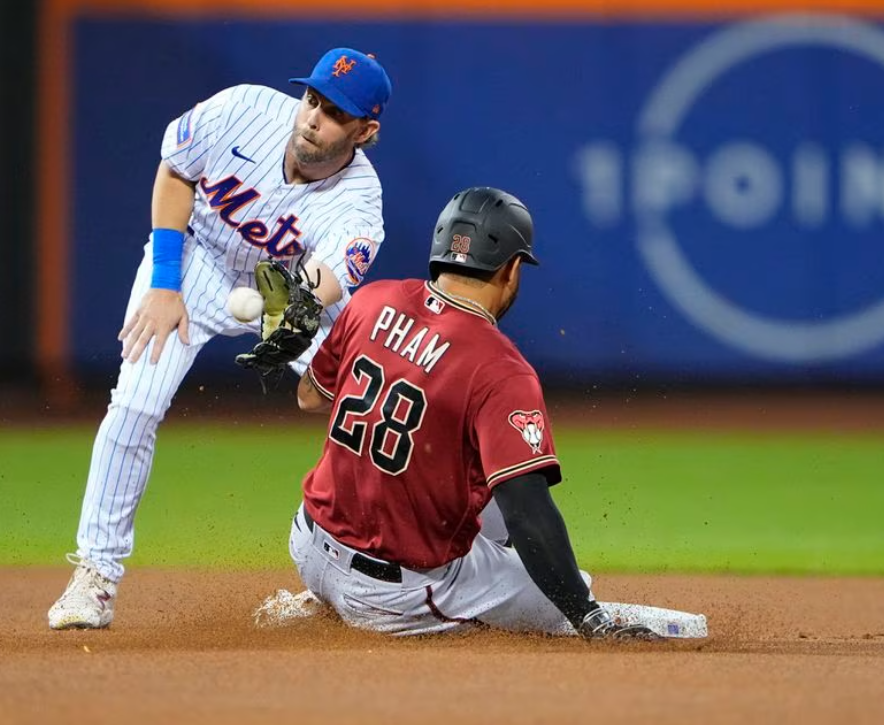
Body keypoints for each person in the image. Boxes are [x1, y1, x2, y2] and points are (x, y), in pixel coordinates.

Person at [48, 48, 393, 630]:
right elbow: (176, 171)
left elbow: (325, 282)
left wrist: (296, 336)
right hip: (195, 262)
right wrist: (163, 281)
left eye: (334, 113)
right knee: (134, 405)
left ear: (365, 130)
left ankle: (350, 577)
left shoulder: (361, 199)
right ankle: (95, 576)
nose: (312, 117)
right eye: (312, 99)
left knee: (369, 413)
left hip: (287, 290)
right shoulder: (244, 108)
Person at [288, 187, 658, 639]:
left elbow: (309, 396)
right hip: (393, 596)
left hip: (307, 545)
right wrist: (585, 614)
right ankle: (606, 620)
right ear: (513, 268)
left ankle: (322, 597)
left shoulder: (371, 300)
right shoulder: (500, 368)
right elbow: (529, 512)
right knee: (565, 592)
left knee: (488, 494)